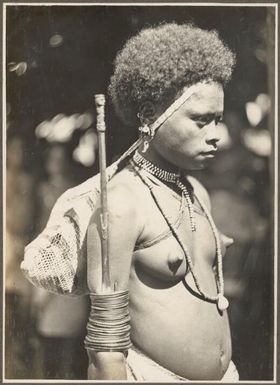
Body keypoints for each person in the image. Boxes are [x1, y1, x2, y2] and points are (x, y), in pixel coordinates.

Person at [22, 23, 238, 381]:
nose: (215, 135)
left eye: (218, 119)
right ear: (149, 116)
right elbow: (106, 348)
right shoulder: (122, 204)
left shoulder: (197, 191)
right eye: (201, 121)